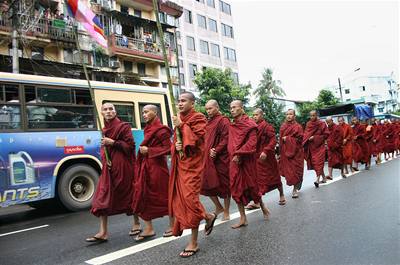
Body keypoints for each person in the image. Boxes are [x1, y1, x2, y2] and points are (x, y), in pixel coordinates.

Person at [169, 92, 217, 258]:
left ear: (192, 103)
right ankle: (208, 216)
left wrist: (182, 126)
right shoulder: (178, 119)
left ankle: (194, 243)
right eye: (178, 101)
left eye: (184, 101)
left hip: (194, 165)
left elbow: (198, 141)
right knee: (183, 200)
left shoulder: (198, 118)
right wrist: (176, 145)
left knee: (190, 200)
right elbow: (177, 144)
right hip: (182, 165)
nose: (180, 104)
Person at [86, 103, 135, 243]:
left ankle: (138, 223)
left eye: (110, 109)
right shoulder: (104, 129)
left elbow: (130, 147)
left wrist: (113, 142)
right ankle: (103, 232)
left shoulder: (124, 126)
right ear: (101, 113)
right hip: (108, 168)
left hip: (122, 167)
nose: (108, 111)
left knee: (129, 195)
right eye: (105, 110)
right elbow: (104, 148)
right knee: (102, 197)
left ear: (115, 111)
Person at [131, 105, 173, 241]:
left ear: (155, 112)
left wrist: (150, 151)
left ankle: (173, 225)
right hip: (145, 167)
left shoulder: (162, 130)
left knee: (165, 196)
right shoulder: (148, 128)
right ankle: (148, 228)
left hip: (158, 168)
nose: (144, 114)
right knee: (143, 195)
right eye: (142, 112)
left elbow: (168, 148)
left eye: (146, 112)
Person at [228, 101, 269, 229]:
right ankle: (243, 218)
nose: (232, 110)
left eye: (235, 107)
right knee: (236, 188)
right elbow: (230, 143)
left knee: (252, 187)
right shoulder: (232, 125)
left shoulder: (249, 124)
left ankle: (262, 206)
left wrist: (240, 154)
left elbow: (252, 143)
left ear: (242, 108)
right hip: (234, 161)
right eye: (231, 108)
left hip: (247, 160)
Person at [246, 108, 285, 210]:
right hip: (257, 157)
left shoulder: (267, 127)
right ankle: (258, 202)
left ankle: (281, 195)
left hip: (268, 158)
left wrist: (266, 150)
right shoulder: (253, 128)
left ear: (262, 115)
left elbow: (273, 140)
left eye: (257, 115)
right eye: (253, 115)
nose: (254, 117)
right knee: (258, 180)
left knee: (275, 178)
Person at [201, 100, 231, 221]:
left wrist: (216, 150)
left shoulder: (224, 120)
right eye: (207, 109)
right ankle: (219, 207)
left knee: (225, 185)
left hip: (221, 158)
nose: (208, 111)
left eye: (210, 109)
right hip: (208, 158)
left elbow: (226, 138)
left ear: (217, 107)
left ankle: (227, 211)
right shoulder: (208, 122)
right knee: (206, 184)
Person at [279, 109, 304, 198]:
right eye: (287, 114)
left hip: (297, 152)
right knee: (290, 173)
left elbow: (300, 139)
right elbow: (280, 141)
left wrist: (289, 139)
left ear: (294, 116)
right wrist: (280, 153)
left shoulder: (298, 127)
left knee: (296, 171)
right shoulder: (283, 127)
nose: (288, 116)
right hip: (286, 152)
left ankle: (295, 189)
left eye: (290, 114)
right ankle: (297, 184)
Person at [303, 110, 329, 187]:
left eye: (313, 115)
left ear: (316, 115)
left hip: (320, 146)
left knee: (318, 162)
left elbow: (326, 135)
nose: (312, 117)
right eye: (311, 116)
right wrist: (307, 139)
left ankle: (317, 180)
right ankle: (324, 178)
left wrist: (315, 137)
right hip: (312, 147)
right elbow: (306, 134)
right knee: (316, 163)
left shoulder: (321, 124)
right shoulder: (308, 124)